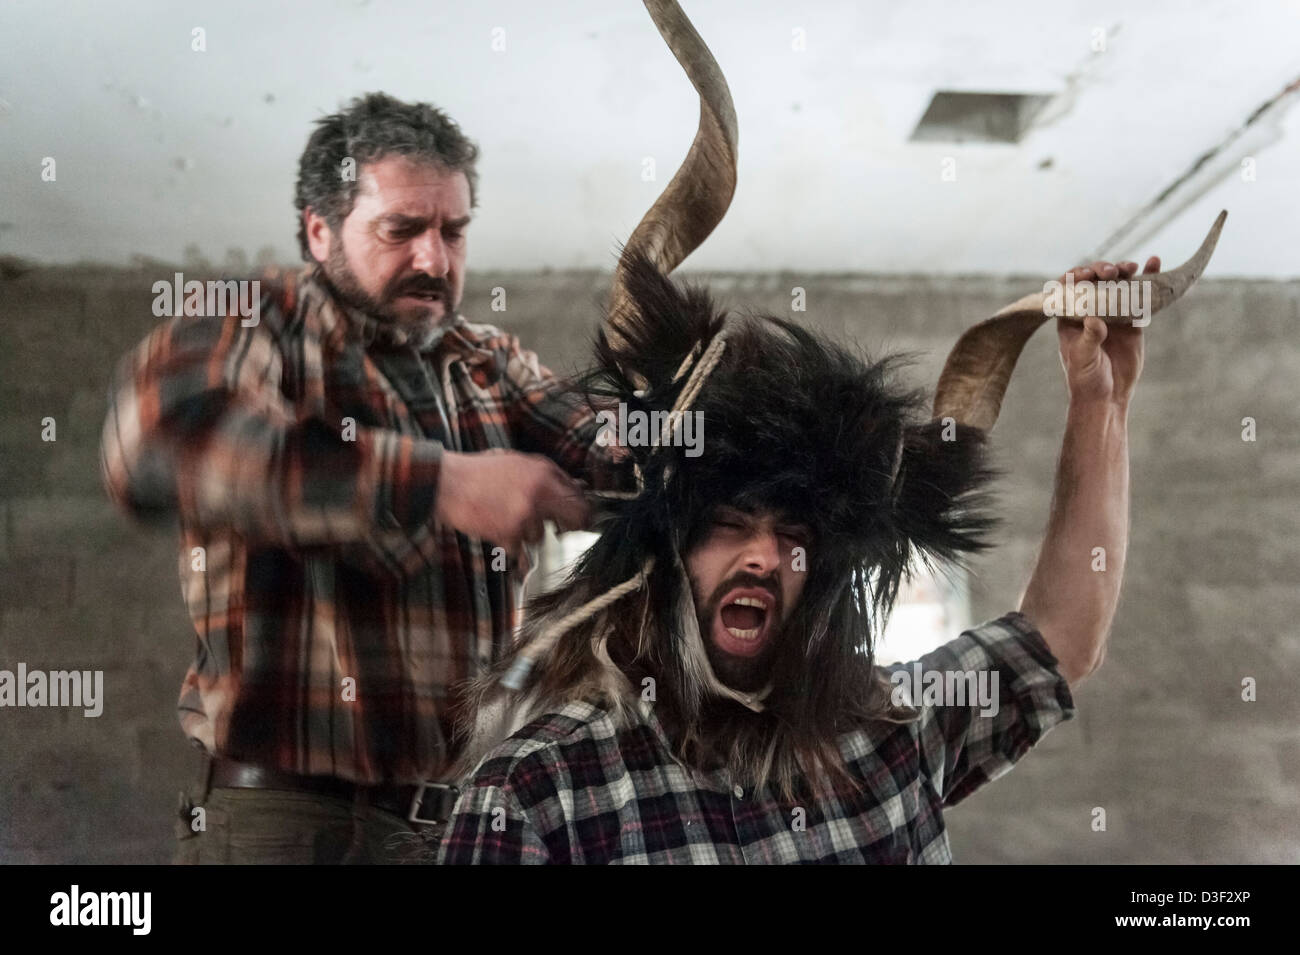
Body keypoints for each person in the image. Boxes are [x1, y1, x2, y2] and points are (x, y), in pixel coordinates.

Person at [436, 248, 1157, 864]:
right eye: (728, 522)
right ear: (664, 555)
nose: (762, 557)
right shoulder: (538, 789)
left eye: (796, 538)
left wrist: (1104, 399)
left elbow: (1060, 637)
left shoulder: (888, 734)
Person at [100, 92, 628, 863]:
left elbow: (617, 455)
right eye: (402, 229)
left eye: (453, 230)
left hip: (468, 824)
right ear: (320, 230)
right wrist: (439, 483)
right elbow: (157, 440)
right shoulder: (251, 317)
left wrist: (686, 420)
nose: (434, 259)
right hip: (285, 823)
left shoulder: (492, 363)